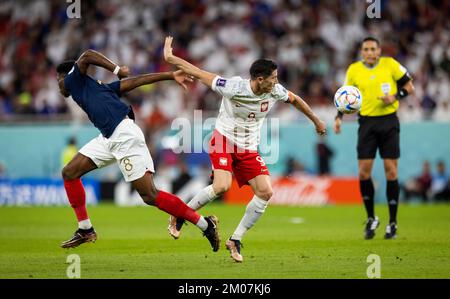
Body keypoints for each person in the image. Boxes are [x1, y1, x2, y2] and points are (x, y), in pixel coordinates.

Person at [163, 36, 327, 262]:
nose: (277, 82)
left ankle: (235, 239)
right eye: (273, 78)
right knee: (221, 186)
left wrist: (316, 120)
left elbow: (296, 99)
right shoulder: (234, 87)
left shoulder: (275, 91)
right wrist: (171, 58)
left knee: (266, 192)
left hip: (248, 147)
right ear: (260, 79)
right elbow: (200, 73)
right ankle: (180, 215)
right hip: (223, 139)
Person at [56, 49, 220, 251]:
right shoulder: (99, 89)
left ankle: (205, 224)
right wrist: (170, 75)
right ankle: (85, 229)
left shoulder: (73, 80)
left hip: (123, 135)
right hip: (107, 137)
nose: (59, 85)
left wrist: (116, 69)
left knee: (150, 195)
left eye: (59, 79)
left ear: (69, 75)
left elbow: (88, 55)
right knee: (69, 172)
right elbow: (138, 81)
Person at [334, 37, 415, 240]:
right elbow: (346, 96)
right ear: (362, 52)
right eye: (366, 49)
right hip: (366, 124)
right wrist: (338, 118)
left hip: (389, 122)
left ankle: (393, 223)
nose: (370, 52)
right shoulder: (354, 69)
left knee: (391, 170)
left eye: (373, 49)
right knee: (363, 172)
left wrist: (395, 97)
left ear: (379, 50)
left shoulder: (390, 64)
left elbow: (410, 87)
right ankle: (371, 218)